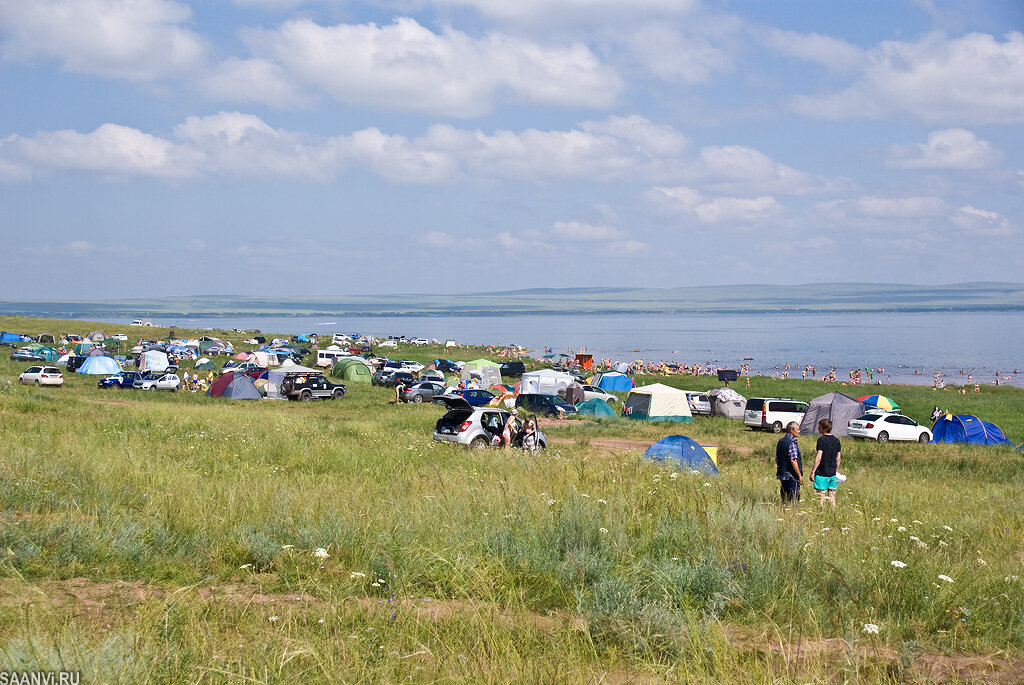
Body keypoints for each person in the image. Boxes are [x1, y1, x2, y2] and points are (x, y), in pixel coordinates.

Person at [810, 418, 841, 507]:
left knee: (821, 496)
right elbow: (838, 458)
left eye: (820, 426)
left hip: (822, 473)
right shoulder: (836, 440)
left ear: (825, 428)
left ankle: (821, 513)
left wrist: (813, 471)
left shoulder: (821, 440)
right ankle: (833, 513)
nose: (818, 428)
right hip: (832, 473)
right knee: (832, 496)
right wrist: (835, 470)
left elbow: (819, 457)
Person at [775, 422, 803, 507]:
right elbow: (793, 460)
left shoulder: (781, 441)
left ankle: (784, 513)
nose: (799, 431)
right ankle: (793, 516)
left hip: (783, 474)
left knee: (784, 499)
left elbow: (777, 459)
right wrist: (799, 475)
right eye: (797, 429)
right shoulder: (792, 442)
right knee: (793, 500)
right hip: (792, 476)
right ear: (791, 430)